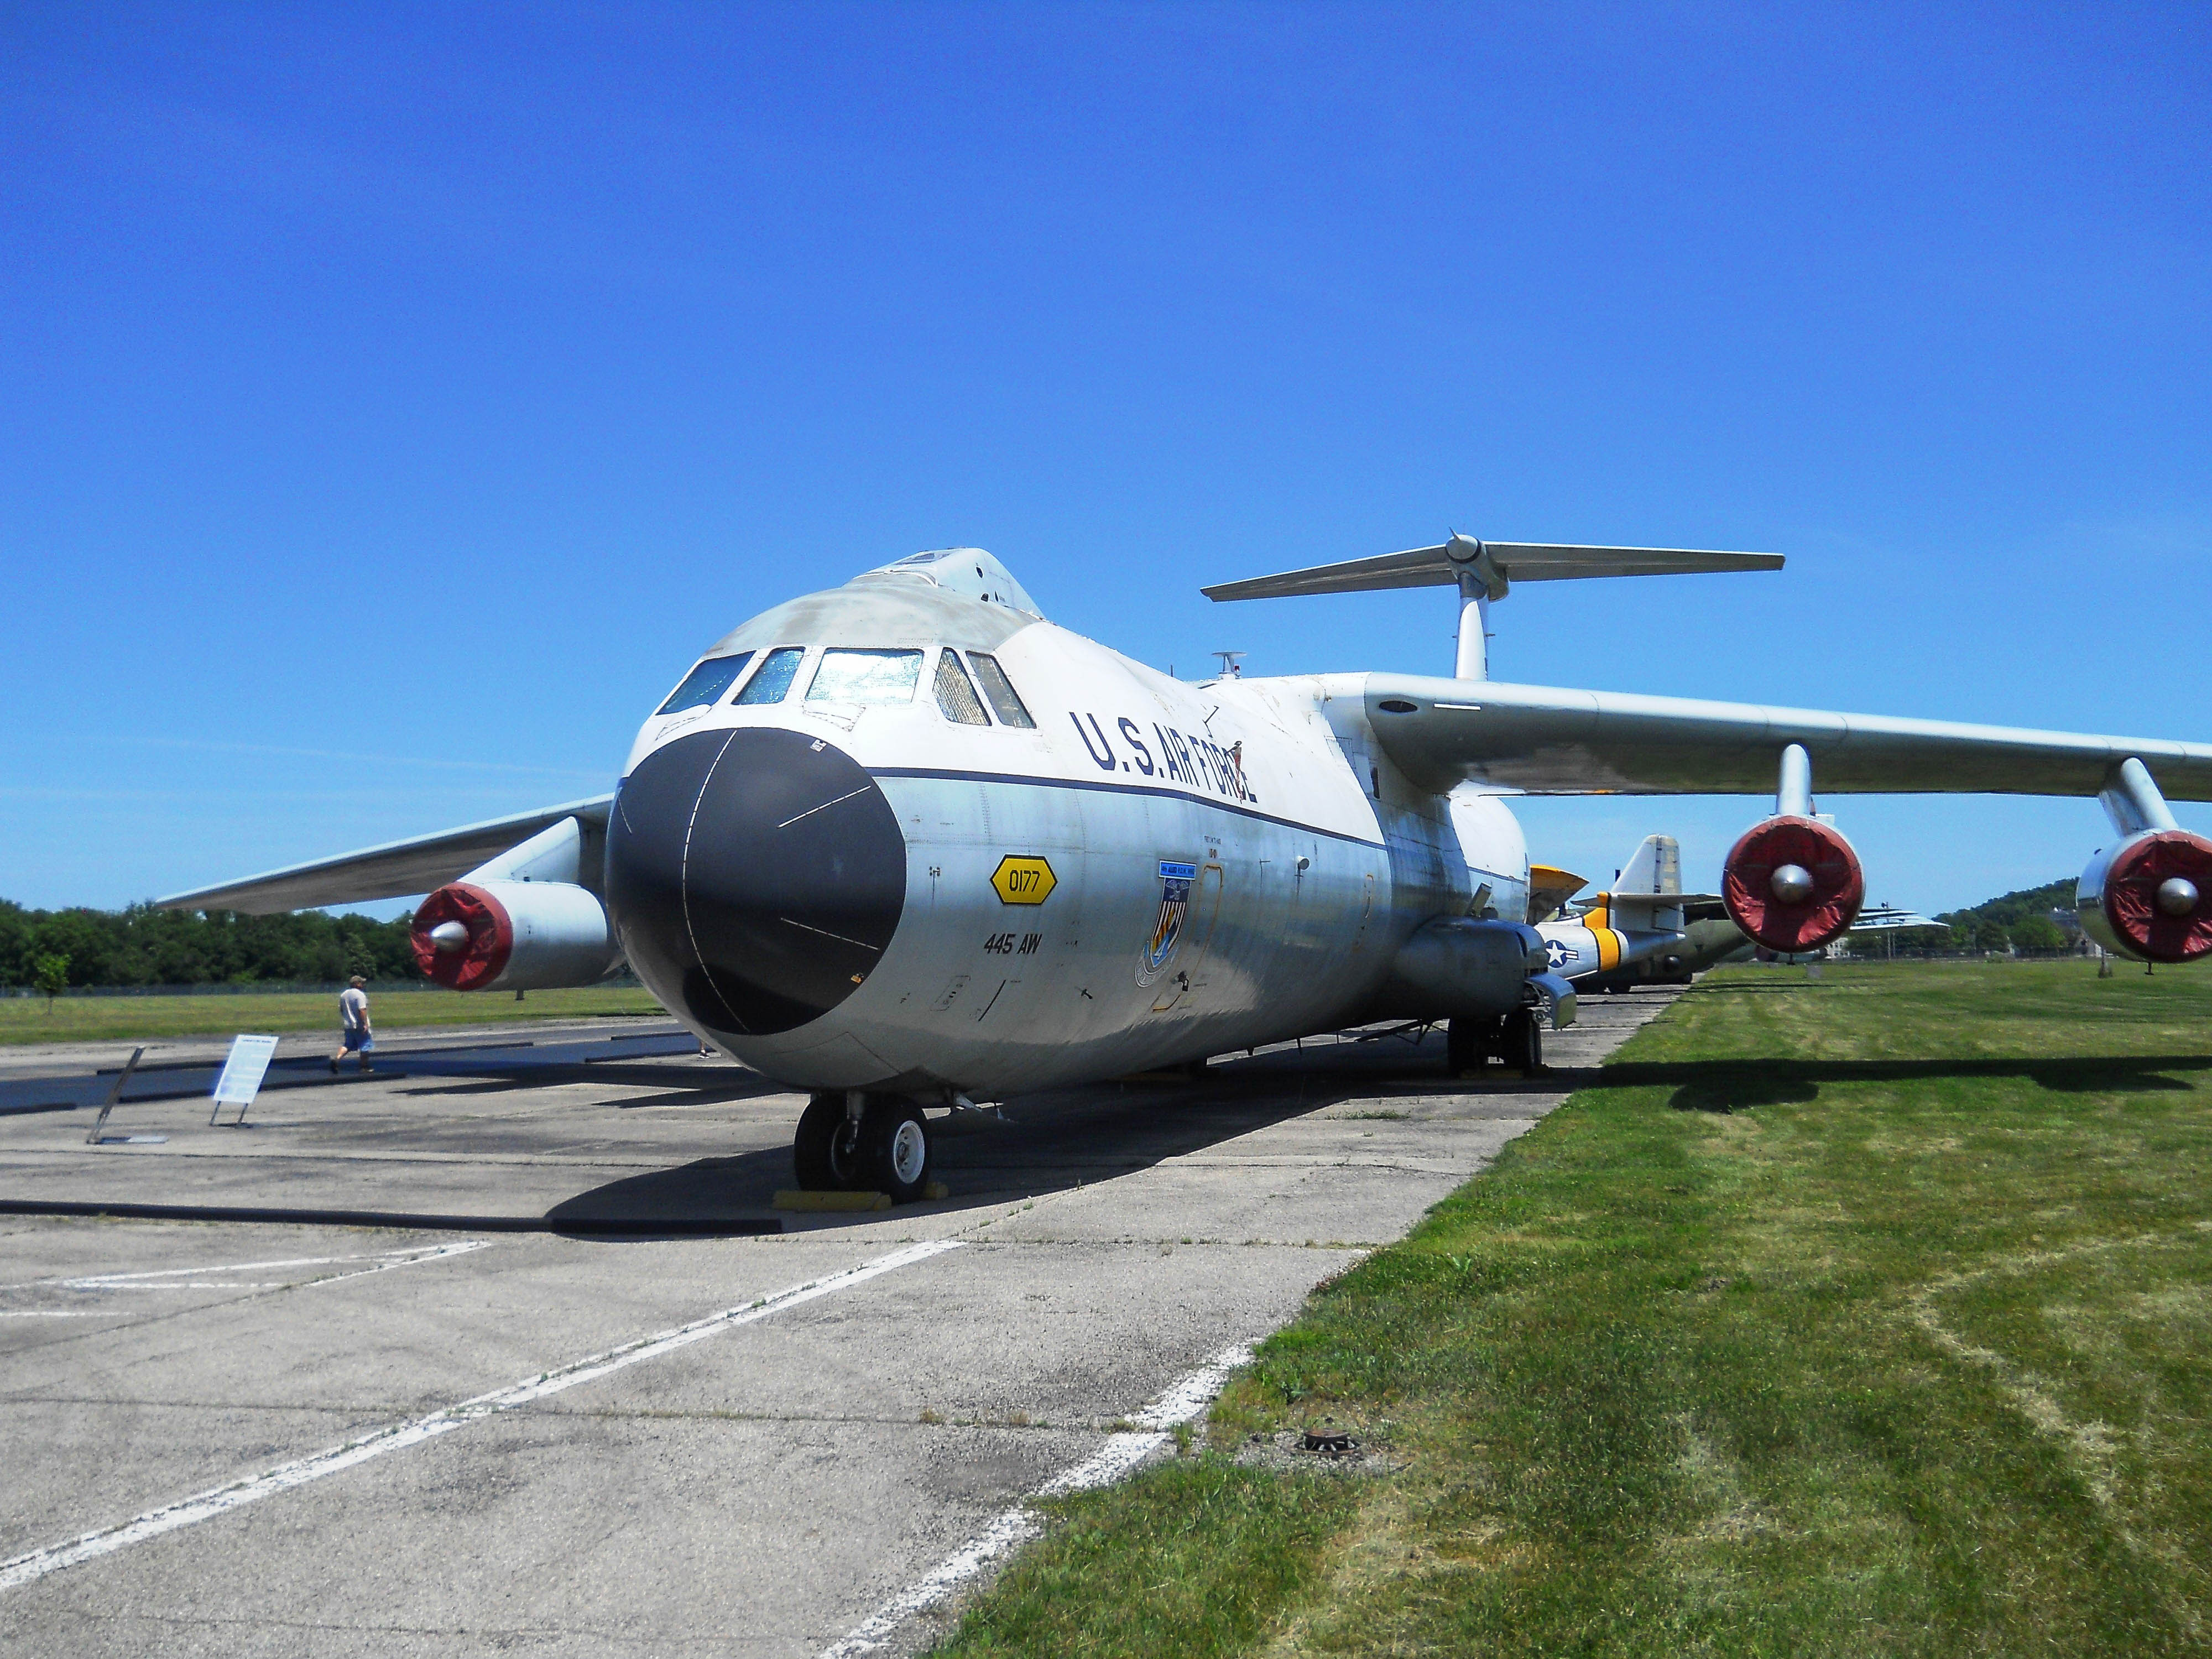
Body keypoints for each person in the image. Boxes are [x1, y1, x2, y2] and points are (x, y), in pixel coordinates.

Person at [331, 976, 374, 1074]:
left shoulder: (344, 994)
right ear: (357, 984)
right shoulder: (360, 995)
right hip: (359, 1024)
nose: (363, 985)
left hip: (348, 1025)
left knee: (348, 1045)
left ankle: (337, 1059)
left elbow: (341, 1009)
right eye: (361, 983)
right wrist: (365, 1024)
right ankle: (364, 1067)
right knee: (365, 1045)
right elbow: (362, 1010)